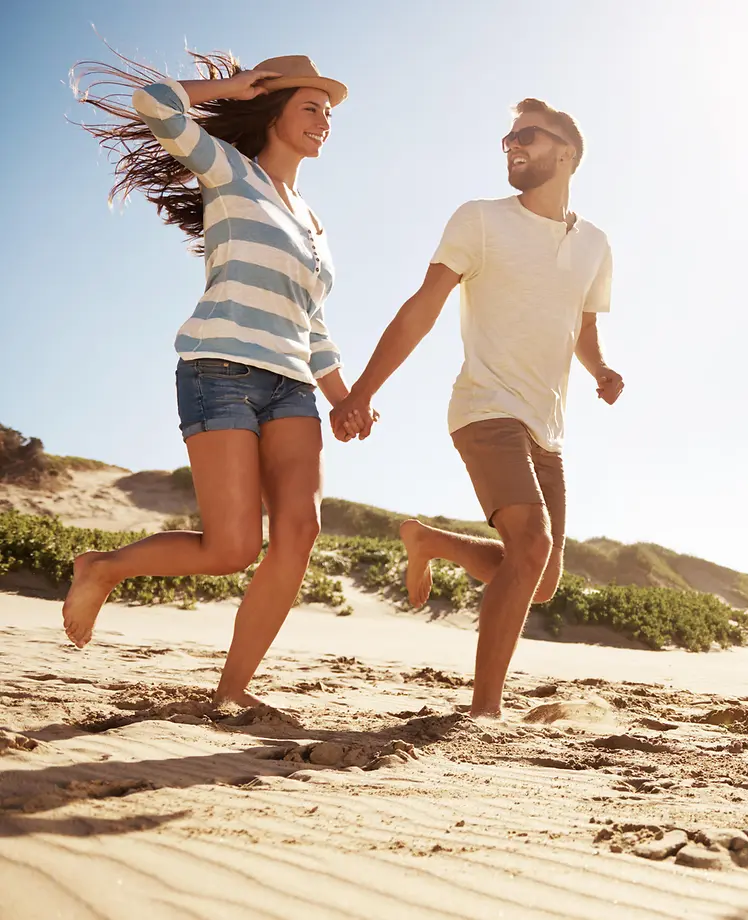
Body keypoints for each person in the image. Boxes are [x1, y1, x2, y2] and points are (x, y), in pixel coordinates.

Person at [63, 51, 372, 706]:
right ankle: (103, 568)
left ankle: (233, 692)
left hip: (291, 385)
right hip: (220, 369)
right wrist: (230, 86)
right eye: (310, 107)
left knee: (299, 532)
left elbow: (313, 324)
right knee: (231, 548)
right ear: (274, 112)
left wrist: (345, 398)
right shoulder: (230, 172)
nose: (325, 121)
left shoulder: (314, 223)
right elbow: (154, 102)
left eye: (328, 111)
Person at [330, 98, 624, 719]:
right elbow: (423, 306)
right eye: (508, 137)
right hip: (485, 407)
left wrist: (600, 371)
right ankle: (484, 710)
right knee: (530, 541)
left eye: (528, 135)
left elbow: (583, 327)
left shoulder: (595, 243)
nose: (511, 144)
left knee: (538, 576)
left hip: (548, 425)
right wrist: (362, 390)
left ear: (567, 152)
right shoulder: (481, 220)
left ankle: (428, 540)